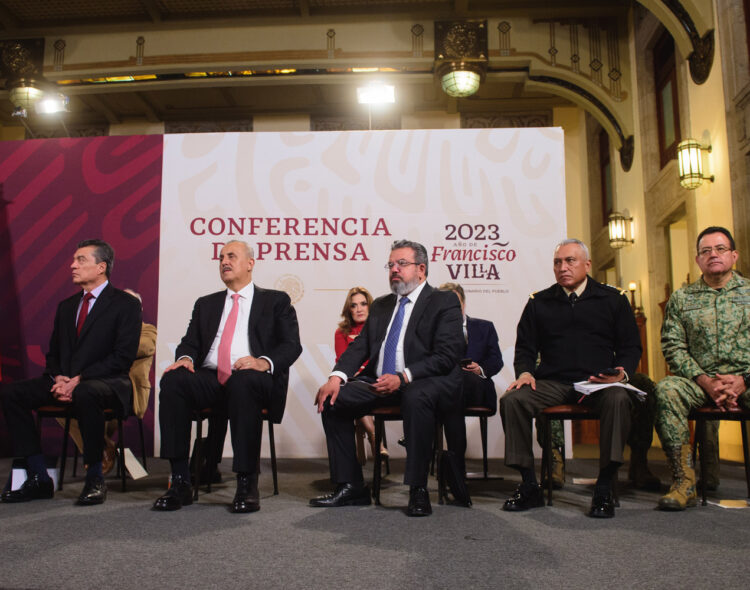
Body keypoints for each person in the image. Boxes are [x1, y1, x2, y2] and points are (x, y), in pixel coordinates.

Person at [310, 239, 464, 517]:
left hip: (422, 382)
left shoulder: (443, 301)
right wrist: (336, 377)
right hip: (380, 381)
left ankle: (417, 488)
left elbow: (447, 355)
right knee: (332, 400)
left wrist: (403, 377)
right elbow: (359, 347)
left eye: (401, 264)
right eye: (390, 264)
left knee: (417, 398)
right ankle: (351, 486)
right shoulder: (381, 305)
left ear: (421, 269)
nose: (394, 269)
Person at [155, 240, 301, 513]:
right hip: (211, 377)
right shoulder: (206, 304)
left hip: (252, 378)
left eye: (231, 256)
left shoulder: (275, 300)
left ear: (250, 263)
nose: (224, 261)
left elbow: (291, 345)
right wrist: (185, 359)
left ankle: (247, 483)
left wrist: (262, 362)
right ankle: (179, 481)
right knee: (173, 379)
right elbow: (189, 344)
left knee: (243, 382)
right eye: (221, 257)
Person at [500, 238, 641, 518]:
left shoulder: (613, 299)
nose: (563, 267)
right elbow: (525, 347)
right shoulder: (540, 302)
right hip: (553, 383)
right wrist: (525, 373)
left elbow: (630, 346)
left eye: (570, 261)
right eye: (557, 262)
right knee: (513, 400)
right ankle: (529, 484)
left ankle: (604, 485)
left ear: (587, 265)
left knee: (618, 397)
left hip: (597, 383)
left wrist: (621, 372)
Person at [0, 239, 141, 505]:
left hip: (106, 383)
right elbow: (54, 353)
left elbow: (122, 358)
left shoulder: (126, 304)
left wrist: (80, 379)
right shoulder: (66, 306)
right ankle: (39, 477)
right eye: (74, 260)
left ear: (101, 267)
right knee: (12, 393)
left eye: (80, 260)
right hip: (66, 380)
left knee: (87, 393)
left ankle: (95, 479)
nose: (72, 265)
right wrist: (58, 378)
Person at [654, 226, 750, 510]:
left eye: (720, 249)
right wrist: (705, 380)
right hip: (698, 382)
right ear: (697, 260)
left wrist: (744, 379)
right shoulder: (683, 299)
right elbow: (673, 347)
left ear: (733, 255)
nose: (713, 255)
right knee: (666, 390)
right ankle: (684, 481)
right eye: (706, 251)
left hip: (746, 381)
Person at [57, 288, 157, 475]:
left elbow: (138, 348)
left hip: (127, 392)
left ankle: (95, 452)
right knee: (62, 401)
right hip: (95, 385)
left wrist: (106, 343)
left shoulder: (147, 330)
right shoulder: (101, 330)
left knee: (89, 399)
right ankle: (102, 446)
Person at [437, 282, 503, 476]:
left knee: (454, 390)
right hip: (450, 392)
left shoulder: (484, 327)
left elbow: (496, 360)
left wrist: (479, 368)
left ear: (464, 304)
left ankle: (453, 468)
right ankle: (457, 471)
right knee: (452, 398)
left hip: (478, 388)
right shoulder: (434, 332)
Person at [334, 287, 387, 465]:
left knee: (363, 387)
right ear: (348, 309)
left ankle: (372, 438)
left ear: (370, 306)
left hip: (376, 379)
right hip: (353, 379)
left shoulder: (380, 329)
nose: (359, 309)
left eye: (363, 304)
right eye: (354, 305)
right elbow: (344, 360)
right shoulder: (341, 333)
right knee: (353, 387)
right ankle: (374, 438)